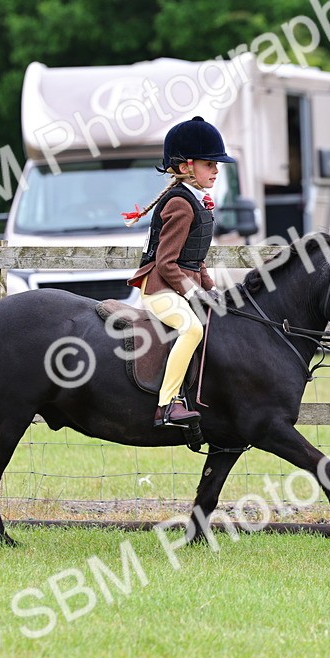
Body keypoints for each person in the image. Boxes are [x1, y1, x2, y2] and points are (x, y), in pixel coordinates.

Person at [124, 117, 234, 427]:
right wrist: (195, 293)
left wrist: (212, 290)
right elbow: (166, 263)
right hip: (160, 290)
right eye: (209, 164)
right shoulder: (181, 205)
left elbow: (195, 259)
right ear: (187, 167)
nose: (216, 170)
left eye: (216, 164)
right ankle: (167, 406)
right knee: (191, 329)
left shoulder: (197, 203)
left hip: (180, 287)